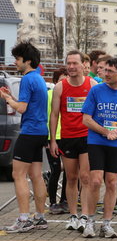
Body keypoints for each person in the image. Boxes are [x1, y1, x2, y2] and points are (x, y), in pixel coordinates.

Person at [81, 58, 117, 238]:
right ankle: (89, 221)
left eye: (111, 71)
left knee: (111, 182)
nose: (106, 74)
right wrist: (105, 132)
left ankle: (107, 224)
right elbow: (86, 119)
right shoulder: (96, 90)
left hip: (115, 143)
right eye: (105, 70)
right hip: (96, 141)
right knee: (95, 180)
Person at [2, 41, 49, 233]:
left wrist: (6, 99)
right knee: (36, 175)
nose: (15, 62)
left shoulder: (27, 79)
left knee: (18, 174)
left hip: (29, 132)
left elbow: (22, 108)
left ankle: (23, 219)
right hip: (40, 132)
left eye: (18, 59)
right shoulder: (38, 78)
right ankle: (39, 217)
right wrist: (12, 97)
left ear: (27, 61)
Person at [49, 51, 97, 232]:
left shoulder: (91, 85)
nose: (71, 67)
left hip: (87, 136)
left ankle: (85, 215)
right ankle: (73, 215)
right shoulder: (60, 87)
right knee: (71, 178)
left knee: (85, 177)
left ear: (83, 65)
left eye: (74, 63)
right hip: (67, 138)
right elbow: (54, 115)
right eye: (68, 63)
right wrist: (53, 140)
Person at [46, 68, 68, 215]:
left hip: (67, 137)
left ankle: (65, 200)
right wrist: (47, 138)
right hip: (52, 137)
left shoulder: (70, 96)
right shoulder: (48, 95)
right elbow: (46, 116)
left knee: (69, 172)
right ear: (55, 82)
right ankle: (53, 202)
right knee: (55, 171)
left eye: (65, 80)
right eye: (60, 80)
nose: (63, 83)